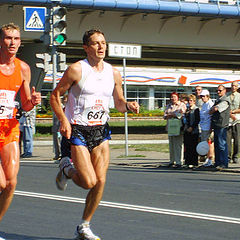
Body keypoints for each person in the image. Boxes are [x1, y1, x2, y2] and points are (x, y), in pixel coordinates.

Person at [50, 29, 139, 240]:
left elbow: (118, 103)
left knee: (100, 181)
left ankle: (84, 226)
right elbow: (55, 96)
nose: (101, 47)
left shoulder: (113, 72)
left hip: (100, 130)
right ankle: (66, 169)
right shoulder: (76, 70)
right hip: (78, 129)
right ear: (86, 47)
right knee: (88, 181)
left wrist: (128, 105)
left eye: (103, 43)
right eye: (96, 43)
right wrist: (63, 120)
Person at [0, 22, 41, 226]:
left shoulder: (23, 68)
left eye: (16, 38)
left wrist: (32, 101)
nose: (12, 42)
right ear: (1, 41)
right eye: (8, 38)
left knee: (10, 183)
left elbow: (25, 105)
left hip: (9, 128)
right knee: (0, 181)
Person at [164, 92, 186, 168]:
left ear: (177, 98)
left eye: (174, 97)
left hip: (178, 127)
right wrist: (172, 115)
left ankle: (179, 161)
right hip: (170, 127)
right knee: (171, 144)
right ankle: (171, 161)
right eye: (172, 97)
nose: (173, 98)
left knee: (178, 144)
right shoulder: (168, 106)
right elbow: (165, 115)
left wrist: (173, 114)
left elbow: (181, 115)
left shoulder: (182, 105)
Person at [209, 85, 230, 169]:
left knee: (222, 145)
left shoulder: (225, 101)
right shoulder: (218, 100)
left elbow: (215, 109)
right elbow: (211, 110)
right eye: (217, 90)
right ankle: (217, 163)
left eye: (220, 90)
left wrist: (213, 109)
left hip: (222, 125)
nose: (218, 92)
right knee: (217, 145)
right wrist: (212, 109)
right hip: (217, 125)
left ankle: (224, 163)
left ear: (224, 91)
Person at [183, 94, 200, 167]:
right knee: (187, 146)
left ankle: (194, 162)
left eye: (191, 100)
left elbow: (197, 120)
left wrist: (192, 127)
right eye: (188, 100)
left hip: (194, 131)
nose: (189, 102)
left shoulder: (196, 109)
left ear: (194, 101)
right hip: (186, 130)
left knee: (193, 147)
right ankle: (187, 162)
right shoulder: (187, 109)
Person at [199, 89, 214, 167]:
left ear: (208, 96)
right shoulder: (204, 104)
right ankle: (206, 159)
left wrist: (211, 128)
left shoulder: (210, 104)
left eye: (204, 96)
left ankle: (210, 159)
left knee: (209, 143)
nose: (202, 98)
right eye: (201, 96)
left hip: (208, 127)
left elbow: (212, 117)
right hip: (203, 127)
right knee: (205, 143)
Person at [226, 81, 240, 164]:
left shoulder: (239, 96)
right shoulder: (227, 95)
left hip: (237, 119)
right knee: (227, 139)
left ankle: (236, 156)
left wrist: (234, 111)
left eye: (235, 86)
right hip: (228, 120)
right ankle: (228, 156)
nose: (233, 87)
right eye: (232, 86)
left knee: (237, 139)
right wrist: (229, 113)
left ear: (237, 87)